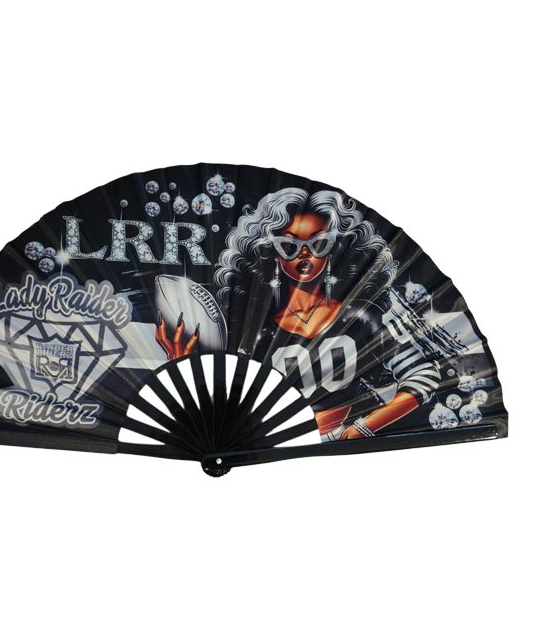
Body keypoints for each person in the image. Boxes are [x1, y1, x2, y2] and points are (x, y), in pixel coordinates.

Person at [158, 188, 441, 440]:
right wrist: (183, 368)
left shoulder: (358, 317)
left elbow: (422, 375)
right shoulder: (257, 333)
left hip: (342, 441)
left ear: (335, 249)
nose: (305, 254)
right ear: (271, 252)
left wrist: (362, 428)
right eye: (289, 246)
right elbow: (226, 409)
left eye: (319, 243)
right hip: (270, 445)